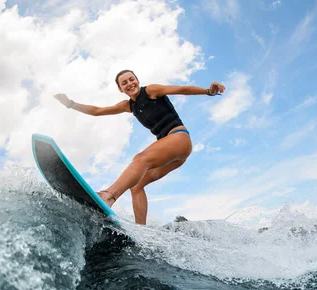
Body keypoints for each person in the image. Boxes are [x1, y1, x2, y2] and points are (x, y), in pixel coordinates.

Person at [54, 70, 225, 224]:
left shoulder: (151, 90)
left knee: (140, 159)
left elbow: (180, 89)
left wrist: (208, 92)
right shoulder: (128, 106)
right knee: (136, 185)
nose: (130, 84)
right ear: (121, 89)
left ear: (137, 80)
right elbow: (98, 111)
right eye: (124, 83)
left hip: (179, 138)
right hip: (174, 156)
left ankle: (108, 195)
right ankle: (141, 231)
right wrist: (70, 104)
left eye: (131, 79)